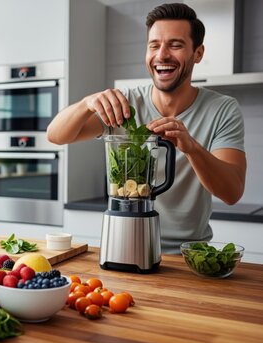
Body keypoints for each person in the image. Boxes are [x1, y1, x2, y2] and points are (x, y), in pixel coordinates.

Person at [46, 3, 246, 253]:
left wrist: (192, 147)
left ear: (198, 53)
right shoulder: (122, 104)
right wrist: (87, 103)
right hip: (123, 245)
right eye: (154, 45)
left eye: (175, 45)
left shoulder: (222, 109)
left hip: (189, 254)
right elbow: (55, 135)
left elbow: (232, 192)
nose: (162, 55)